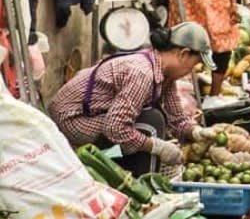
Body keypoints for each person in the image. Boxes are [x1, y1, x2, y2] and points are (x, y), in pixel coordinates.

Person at [50, 21, 212, 173]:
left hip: (98, 115)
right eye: (193, 65)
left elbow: (176, 119)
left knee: (152, 119)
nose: (190, 71)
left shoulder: (165, 74)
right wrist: (156, 147)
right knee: (151, 124)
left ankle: (120, 164)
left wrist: (196, 132)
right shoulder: (142, 73)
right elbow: (115, 128)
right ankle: (140, 182)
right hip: (73, 119)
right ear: (183, 54)